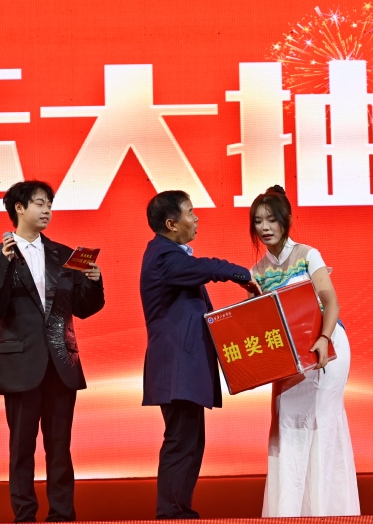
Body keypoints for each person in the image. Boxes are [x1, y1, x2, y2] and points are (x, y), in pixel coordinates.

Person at [0, 180, 105, 522]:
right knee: (21, 448)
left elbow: (84, 307)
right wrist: (5, 265)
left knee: (60, 447)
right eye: (39, 203)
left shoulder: (65, 256)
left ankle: (62, 514)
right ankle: (25, 516)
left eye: (49, 204)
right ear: (19, 208)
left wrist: (93, 282)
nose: (47, 210)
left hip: (61, 363)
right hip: (20, 366)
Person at [140, 190, 260, 519]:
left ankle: (179, 509)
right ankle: (170, 513)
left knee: (191, 442)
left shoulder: (169, 255)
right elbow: (207, 267)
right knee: (181, 441)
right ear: (171, 223)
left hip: (184, 368)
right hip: (176, 367)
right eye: (190, 213)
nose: (196, 219)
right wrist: (242, 274)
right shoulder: (165, 256)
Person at [248, 185, 360, 517]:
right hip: (287, 359)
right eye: (258, 221)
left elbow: (331, 302)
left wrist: (323, 338)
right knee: (287, 424)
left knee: (322, 420)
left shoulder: (308, 255)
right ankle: (289, 512)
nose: (265, 227)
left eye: (271, 220)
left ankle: (329, 511)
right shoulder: (255, 272)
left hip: (326, 347)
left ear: (286, 220)